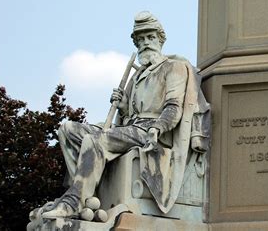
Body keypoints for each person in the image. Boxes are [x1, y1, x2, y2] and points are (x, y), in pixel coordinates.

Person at [42, 11, 210, 219]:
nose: (145, 43)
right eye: (140, 40)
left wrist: (158, 127)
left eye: (150, 38)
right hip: (129, 129)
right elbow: (129, 115)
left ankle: (74, 202)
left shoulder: (174, 67)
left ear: (160, 39)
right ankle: (85, 193)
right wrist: (123, 105)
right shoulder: (137, 75)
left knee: (95, 141)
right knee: (67, 130)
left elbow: (174, 107)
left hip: (151, 132)